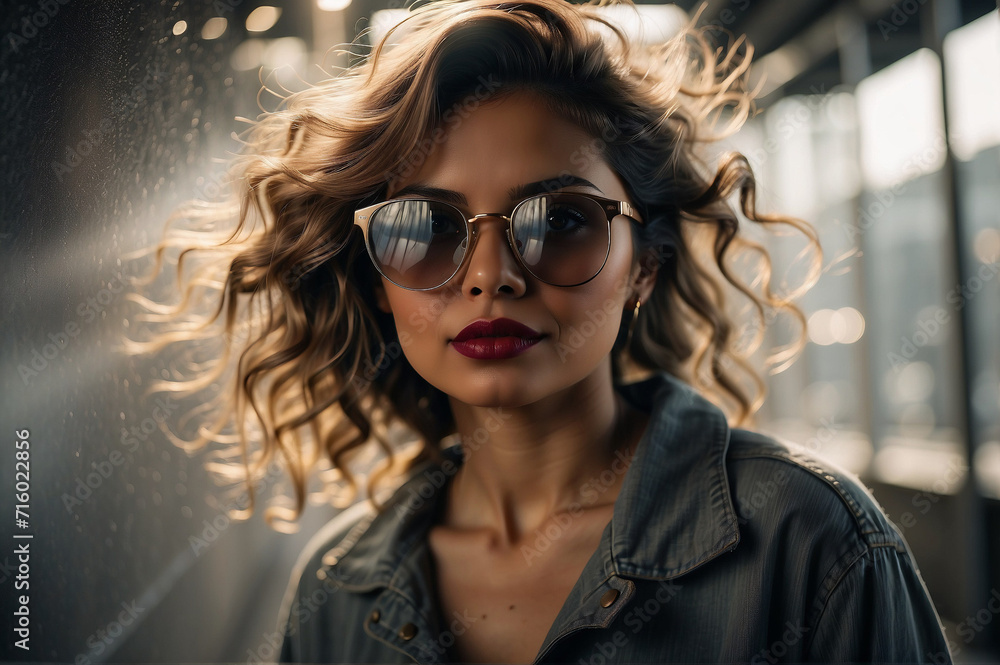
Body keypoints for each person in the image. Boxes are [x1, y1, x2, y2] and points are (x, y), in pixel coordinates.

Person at [133, 0, 955, 661]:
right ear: (378, 280)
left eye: (560, 218)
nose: (492, 274)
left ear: (645, 264)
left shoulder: (812, 543)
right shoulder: (339, 595)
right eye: (425, 227)